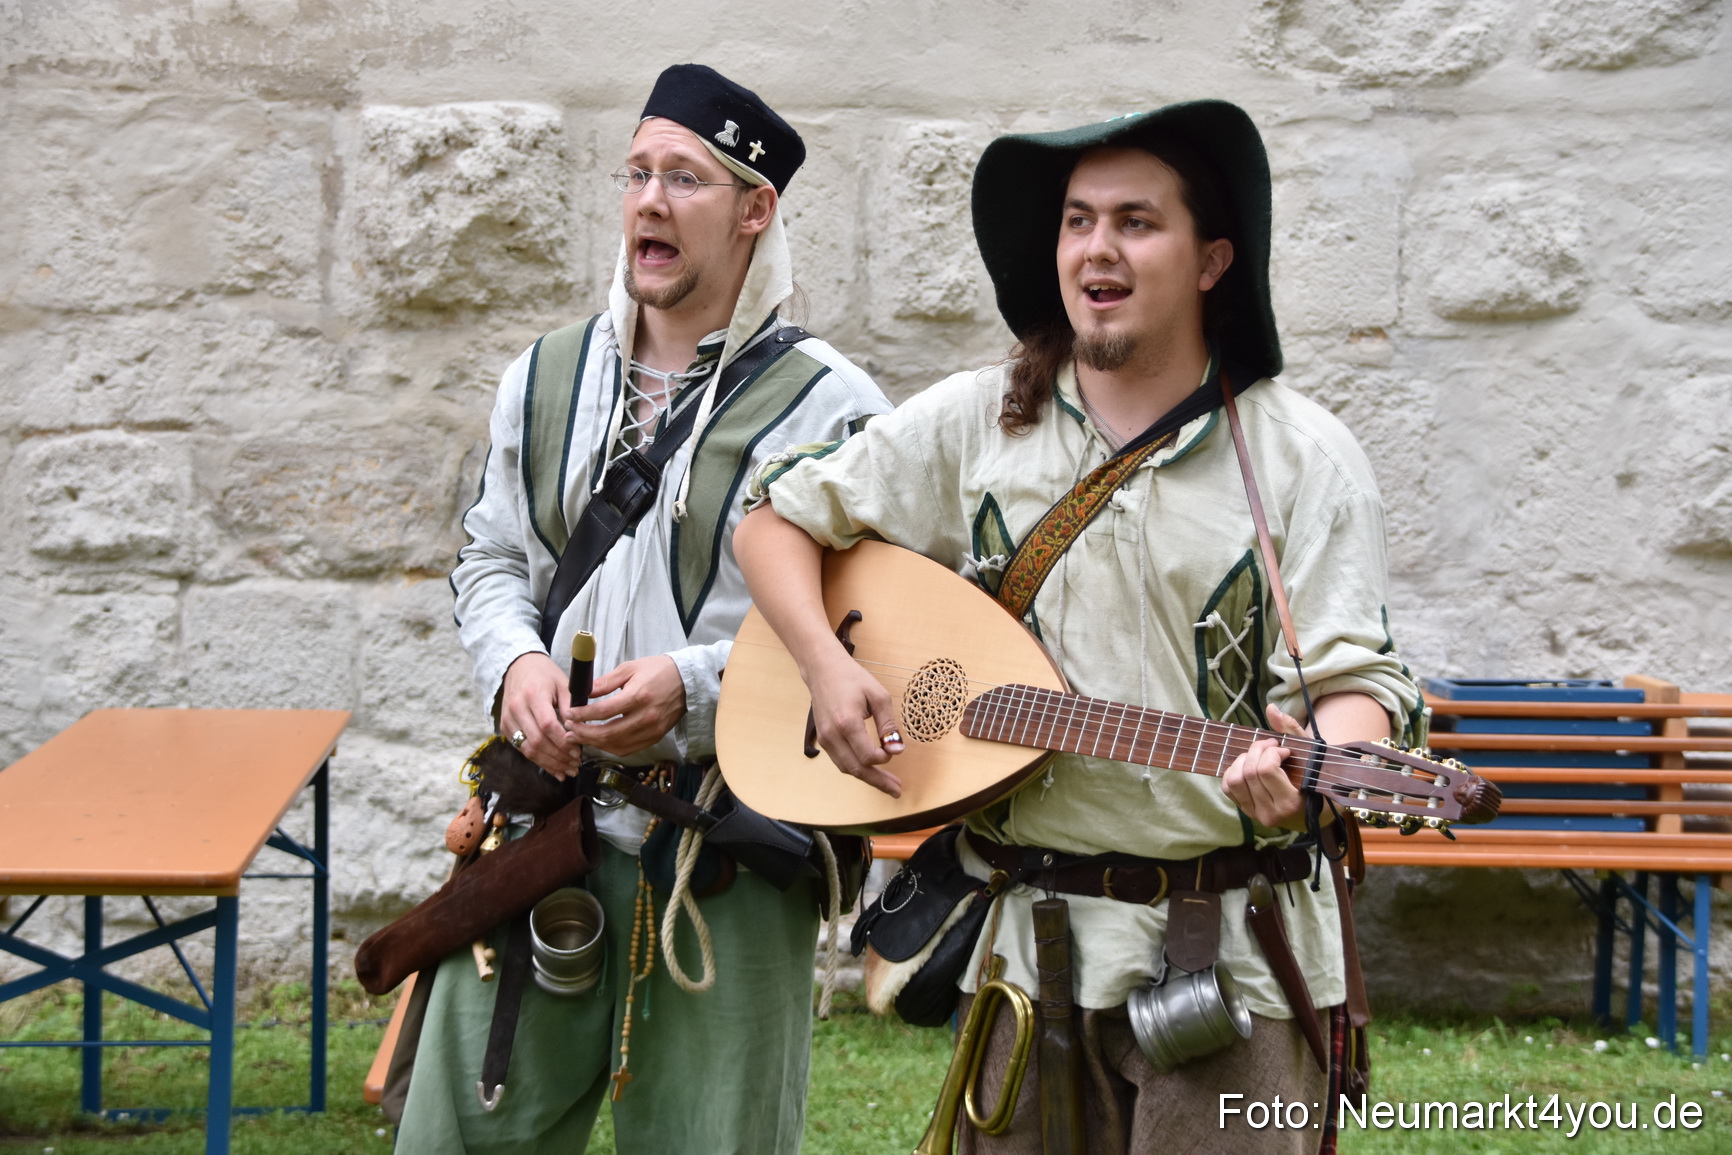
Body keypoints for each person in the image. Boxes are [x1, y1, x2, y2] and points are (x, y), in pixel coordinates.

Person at [733, 101, 1421, 1154]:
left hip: (1231, 946)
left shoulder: (1301, 456)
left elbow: (1354, 680)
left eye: (1136, 222)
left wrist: (1328, 766)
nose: (1096, 248)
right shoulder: (976, 422)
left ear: (1211, 260)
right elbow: (775, 523)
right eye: (1076, 220)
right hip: (1032, 941)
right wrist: (827, 668)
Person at [395, 64, 890, 1154]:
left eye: (686, 178)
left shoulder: (833, 406)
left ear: (755, 210)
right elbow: (487, 562)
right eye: (637, 172)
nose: (649, 202)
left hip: (727, 842)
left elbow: (864, 636)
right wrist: (515, 669)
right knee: (457, 1138)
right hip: (540, 826)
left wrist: (694, 689)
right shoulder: (544, 375)